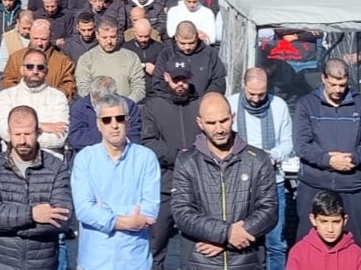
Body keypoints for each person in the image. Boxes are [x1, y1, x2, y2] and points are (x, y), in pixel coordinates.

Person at [170, 93, 278, 270]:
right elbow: (182, 213)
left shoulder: (257, 159)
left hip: (246, 260)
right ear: (200, 123)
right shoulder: (186, 161)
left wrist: (226, 241)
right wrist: (226, 233)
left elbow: (269, 210)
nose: (219, 129)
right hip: (201, 261)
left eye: (224, 121)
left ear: (232, 117)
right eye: (211, 123)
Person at [293, 58, 361, 251]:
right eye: (333, 84)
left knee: (353, 243)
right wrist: (329, 161)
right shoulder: (306, 105)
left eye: (342, 85)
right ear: (323, 78)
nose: (338, 90)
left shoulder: (360, 104)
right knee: (307, 243)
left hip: (350, 185)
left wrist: (353, 159)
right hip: (313, 184)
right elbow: (301, 145)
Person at [0, 104, 71, 270]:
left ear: (38, 132)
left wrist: (7, 226)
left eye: (28, 134)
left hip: (43, 264)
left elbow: (62, 219)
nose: (22, 140)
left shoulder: (56, 167)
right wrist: (32, 215)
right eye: (17, 134)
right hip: (1, 264)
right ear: (9, 134)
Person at [71, 94, 160, 269]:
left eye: (119, 119)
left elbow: (150, 210)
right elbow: (83, 210)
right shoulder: (85, 159)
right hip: (94, 261)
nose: (114, 125)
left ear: (127, 122)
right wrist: (125, 221)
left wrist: (104, 210)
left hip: (135, 260)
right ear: (98, 124)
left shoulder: (146, 158)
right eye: (107, 120)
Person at [226, 67, 293, 270]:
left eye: (261, 94)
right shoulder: (230, 104)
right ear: (243, 87)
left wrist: (271, 156)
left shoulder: (279, 106)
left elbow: (288, 142)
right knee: (242, 238)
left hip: (273, 183)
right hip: (239, 182)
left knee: (276, 242)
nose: (256, 99)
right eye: (251, 94)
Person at [140, 57, 201, 270]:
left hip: (195, 188)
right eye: (176, 79)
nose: (180, 83)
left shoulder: (199, 103)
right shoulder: (153, 105)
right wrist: (177, 155)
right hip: (163, 187)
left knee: (194, 249)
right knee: (156, 247)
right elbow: (148, 142)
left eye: (184, 78)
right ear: (166, 77)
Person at [0, 49, 70, 158]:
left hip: (51, 161)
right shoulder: (6, 96)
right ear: (22, 70)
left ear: (46, 71)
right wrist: (42, 126)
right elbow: (5, 133)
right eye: (30, 66)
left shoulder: (58, 97)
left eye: (40, 67)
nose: (35, 71)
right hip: (13, 161)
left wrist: (19, 133)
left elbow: (59, 139)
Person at [285, 189, 361, 270]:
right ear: (313, 219)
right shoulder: (298, 252)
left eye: (336, 222)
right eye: (324, 221)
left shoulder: (356, 254)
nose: (330, 229)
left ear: (345, 220)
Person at [0, 20, 76, 99]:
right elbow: (6, 80)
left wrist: (48, 96)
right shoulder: (15, 58)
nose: (39, 43)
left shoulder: (64, 62)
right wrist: (24, 94)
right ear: (30, 35)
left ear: (51, 36)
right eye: (35, 38)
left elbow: (68, 86)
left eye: (44, 39)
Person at [75, 17, 146, 102]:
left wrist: (125, 105)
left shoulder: (131, 57)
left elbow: (139, 87)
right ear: (97, 35)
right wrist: (101, 106)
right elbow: (83, 89)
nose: (109, 41)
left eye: (112, 37)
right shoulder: (86, 59)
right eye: (104, 37)